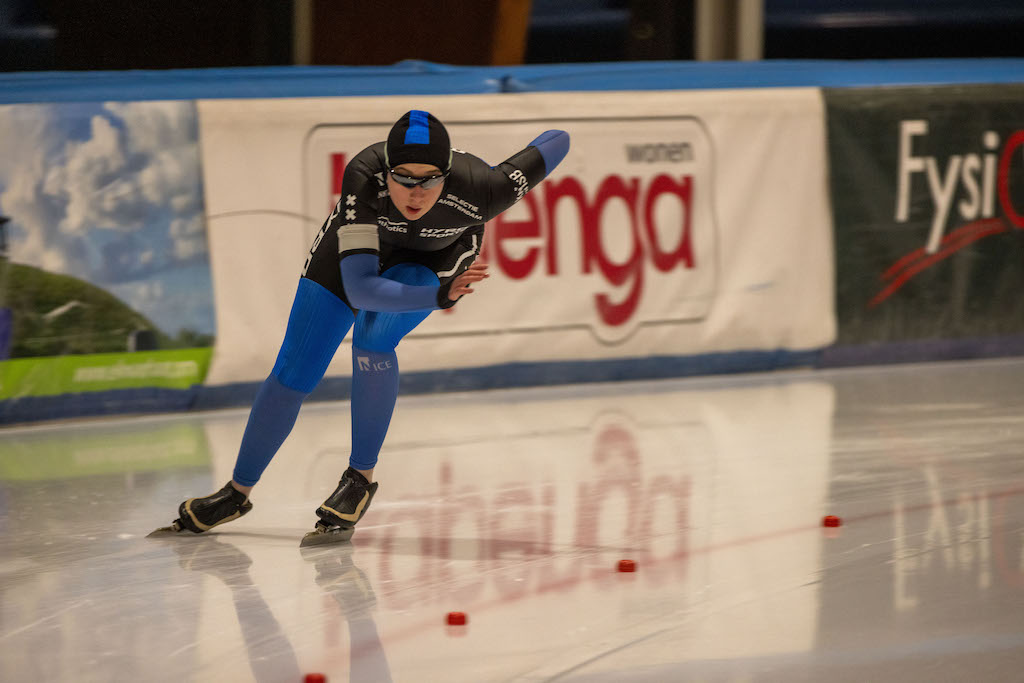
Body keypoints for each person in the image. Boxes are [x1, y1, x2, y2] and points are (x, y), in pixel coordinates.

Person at [167, 110, 570, 537]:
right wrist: (438, 298)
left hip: (431, 261)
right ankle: (236, 492)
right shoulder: (363, 175)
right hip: (361, 253)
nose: (416, 193)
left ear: (448, 174)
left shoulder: (485, 187)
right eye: (404, 178)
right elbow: (360, 289)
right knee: (294, 369)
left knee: (373, 337)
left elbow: (558, 138)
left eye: (430, 180)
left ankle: (359, 479)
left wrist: (439, 285)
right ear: (387, 170)